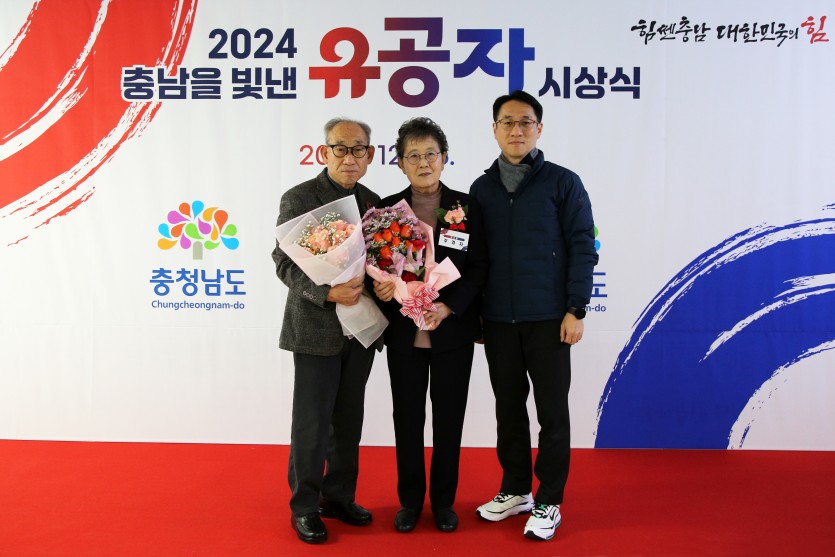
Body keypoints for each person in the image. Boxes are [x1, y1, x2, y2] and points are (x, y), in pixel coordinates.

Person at [469, 90, 599, 541]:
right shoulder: (481, 189)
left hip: (549, 319)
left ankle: (549, 500)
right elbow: (475, 259)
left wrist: (575, 308)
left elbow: (583, 246)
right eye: (507, 122)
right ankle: (516, 489)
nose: (516, 130)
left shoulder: (563, 182)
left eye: (525, 122)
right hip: (498, 321)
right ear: (494, 130)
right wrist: (477, 314)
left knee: (552, 414)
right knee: (508, 410)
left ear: (539, 129)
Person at [372, 117, 488, 534]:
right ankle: (409, 502)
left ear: (444, 158)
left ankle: (442, 502)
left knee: (449, 420)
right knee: (406, 419)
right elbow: (376, 269)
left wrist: (449, 307)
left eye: (431, 154)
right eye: (414, 156)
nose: (423, 163)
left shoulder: (466, 208)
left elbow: (479, 268)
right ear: (400, 162)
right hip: (404, 334)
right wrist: (382, 289)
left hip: (452, 333)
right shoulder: (385, 212)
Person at [271, 118, 381, 545]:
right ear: (324, 152)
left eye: (358, 149)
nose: (349, 157)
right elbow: (283, 262)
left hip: (362, 329)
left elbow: (383, 263)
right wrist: (326, 292)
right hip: (316, 327)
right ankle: (304, 506)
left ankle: (339, 497)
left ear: (370, 155)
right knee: (312, 423)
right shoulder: (300, 198)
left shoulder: (374, 203)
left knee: (349, 421)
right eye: (340, 148)